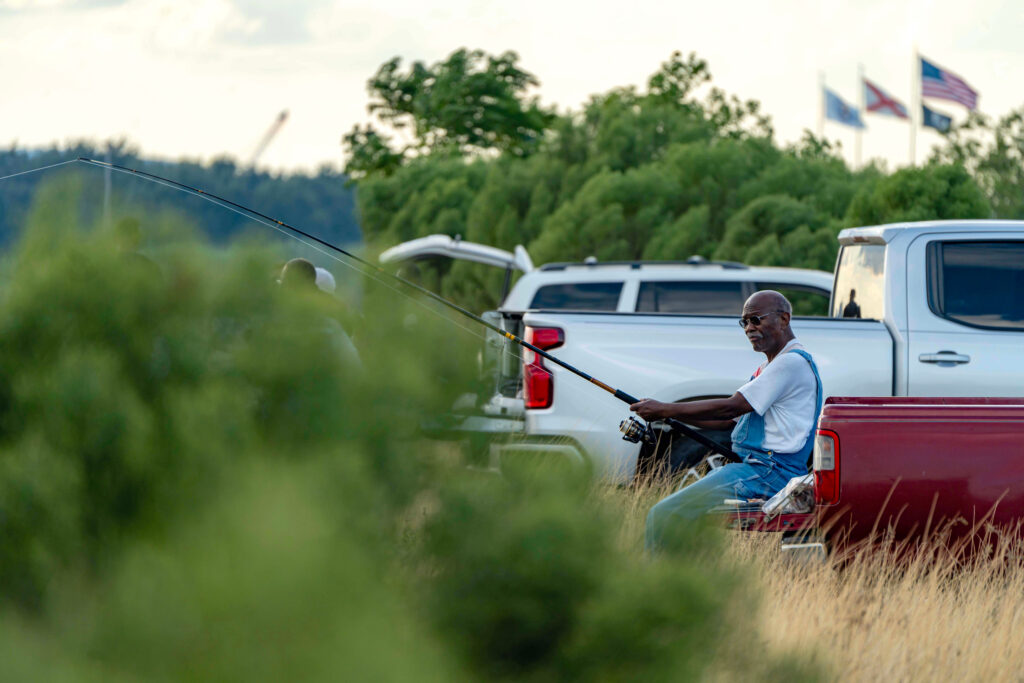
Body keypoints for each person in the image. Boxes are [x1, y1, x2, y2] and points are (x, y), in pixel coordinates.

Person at [631, 290, 823, 551]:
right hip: (763, 470)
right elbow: (730, 421)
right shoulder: (772, 366)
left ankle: (657, 588)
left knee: (665, 514)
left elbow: (730, 407)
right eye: (744, 322)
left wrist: (666, 409)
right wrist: (673, 420)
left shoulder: (790, 363)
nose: (749, 328)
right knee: (684, 519)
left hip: (770, 473)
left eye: (756, 319)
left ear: (784, 319)